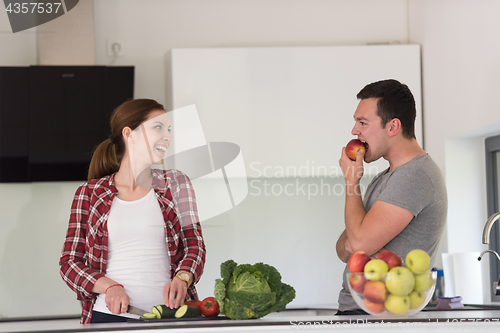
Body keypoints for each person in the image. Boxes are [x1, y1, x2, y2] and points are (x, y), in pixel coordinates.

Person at [59, 99, 206, 324]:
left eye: (168, 130)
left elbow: (194, 245)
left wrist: (183, 277)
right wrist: (110, 287)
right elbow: (70, 262)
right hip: (110, 318)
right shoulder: (89, 193)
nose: (167, 136)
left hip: (173, 316)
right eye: (158, 127)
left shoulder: (176, 183)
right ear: (130, 134)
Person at [335, 79, 447, 315]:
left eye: (362, 122)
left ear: (393, 127)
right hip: (361, 313)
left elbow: (356, 244)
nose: (354, 131)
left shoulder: (415, 175)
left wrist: (351, 182)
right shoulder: (386, 177)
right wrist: (358, 243)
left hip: (380, 317)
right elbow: (342, 249)